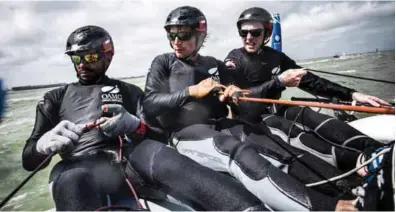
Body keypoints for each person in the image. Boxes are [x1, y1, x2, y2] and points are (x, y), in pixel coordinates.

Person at [142, 5, 392, 211]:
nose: (176, 41)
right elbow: (150, 104)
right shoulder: (163, 62)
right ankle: (328, 207)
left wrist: (234, 94)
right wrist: (190, 92)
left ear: (200, 36)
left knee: (274, 145)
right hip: (187, 133)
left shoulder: (214, 64)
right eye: (171, 35)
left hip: (225, 125)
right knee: (239, 152)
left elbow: (244, 96)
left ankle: (350, 187)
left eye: (183, 35)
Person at [21, 25, 267, 211]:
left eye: (91, 57)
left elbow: (158, 135)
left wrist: (134, 125)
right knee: (72, 180)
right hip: (80, 167)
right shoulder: (55, 96)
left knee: (163, 156)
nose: (82, 64)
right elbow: (29, 159)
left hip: (130, 161)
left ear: (108, 55)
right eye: (76, 58)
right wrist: (44, 145)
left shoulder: (129, 91)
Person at [223, 7, 394, 210]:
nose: (249, 37)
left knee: (303, 112)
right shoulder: (233, 60)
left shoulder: (276, 57)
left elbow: (311, 81)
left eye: (255, 32)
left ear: (267, 34)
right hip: (251, 120)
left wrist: (353, 95)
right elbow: (241, 99)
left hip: (277, 110)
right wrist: (278, 81)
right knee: (286, 127)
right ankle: (350, 182)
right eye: (244, 32)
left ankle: (377, 153)